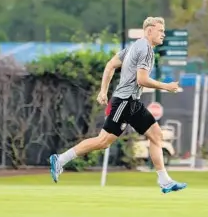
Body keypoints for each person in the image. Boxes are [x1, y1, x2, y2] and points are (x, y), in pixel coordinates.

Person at [49, 17, 187, 194]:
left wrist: (103, 91)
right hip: (125, 102)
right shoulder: (145, 49)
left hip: (129, 102)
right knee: (103, 141)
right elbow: (142, 79)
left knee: (153, 136)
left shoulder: (134, 46)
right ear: (149, 30)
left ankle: (165, 180)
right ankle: (60, 160)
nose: (163, 34)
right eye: (160, 31)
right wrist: (166, 86)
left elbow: (110, 65)